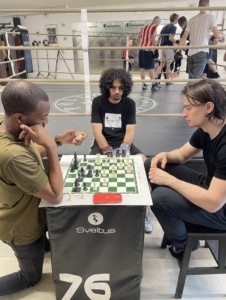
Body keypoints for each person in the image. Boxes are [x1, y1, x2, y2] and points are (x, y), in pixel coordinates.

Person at [0, 80, 87, 296]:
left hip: (29, 212)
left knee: (50, 244)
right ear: (19, 118)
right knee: (31, 277)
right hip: (21, 228)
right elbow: (56, 195)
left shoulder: (8, 130)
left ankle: (44, 246)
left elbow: (28, 156)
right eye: (41, 118)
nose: (46, 121)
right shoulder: (11, 155)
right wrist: (50, 146)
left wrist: (57, 140)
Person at [144, 79, 226, 260]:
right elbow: (181, 154)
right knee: (152, 163)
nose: (183, 114)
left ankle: (183, 244)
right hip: (209, 186)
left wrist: (169, 181)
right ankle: (174, 216)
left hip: (220, 209)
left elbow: (213, 203)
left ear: (209, 107)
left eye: (188, 108)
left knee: (159, 198)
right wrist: (165, 155)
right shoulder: (208, 128)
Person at [89, 67, 152, 234]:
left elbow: (130, 131)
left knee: (145, 164)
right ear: (107, 86)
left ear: (126, 88)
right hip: (103, 144)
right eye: (113, 87)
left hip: (125, 144)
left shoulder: (129, 104)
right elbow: (97, 131)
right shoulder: (98, 102)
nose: (117, 92)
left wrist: (123, 151)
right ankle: (95, 209)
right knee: (92, 166)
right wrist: (108, 152)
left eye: (121, 88)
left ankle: (144, 211)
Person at [179, 0, 225, 79]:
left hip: (191, 52)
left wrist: (178, 49)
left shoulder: (191, 20)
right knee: (197, 78)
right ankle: (193, 91)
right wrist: (223, 35)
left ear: (198, 6)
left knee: (192, 78)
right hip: (201, 51)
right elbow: (216, 34)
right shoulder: (211, 17)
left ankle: (190, 91)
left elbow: (184, 37)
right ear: (208, 6)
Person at [137, 16, 161, 91]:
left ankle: (143, 84)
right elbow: (153, 41)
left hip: (141, 49)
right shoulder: (154, 28)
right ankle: (154, 85)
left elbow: (138, 39)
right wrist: (155, 48)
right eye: (158, 24)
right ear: (157, 22)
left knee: (142, 68)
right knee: (151, 68)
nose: (158, 25)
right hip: (148, 50)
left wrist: (143, 44)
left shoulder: (144, 26)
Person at [155, 13, 179, 85]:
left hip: (162, 46)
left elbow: (159, 37)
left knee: (161, 64)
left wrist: (156, 46)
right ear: (175, 19)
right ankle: (167, 81)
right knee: (168, 65)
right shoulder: (173, 27)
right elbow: (170, 38)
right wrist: (177, 42)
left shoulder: (164, 26)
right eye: (177, 19)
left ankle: (155, 80)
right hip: (168, 47)